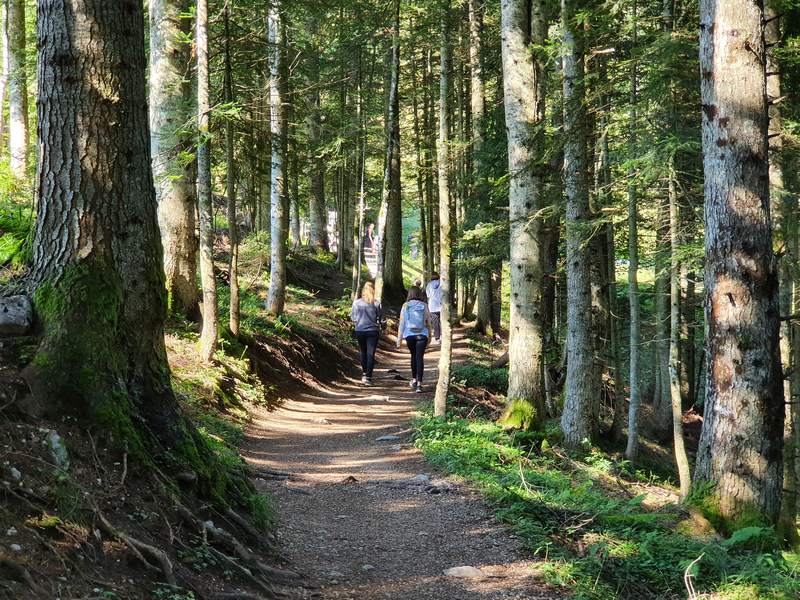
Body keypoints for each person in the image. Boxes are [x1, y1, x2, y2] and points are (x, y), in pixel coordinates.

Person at [396, 286, 433, 393]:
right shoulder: (424, 305)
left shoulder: (405, 306)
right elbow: (429, 322)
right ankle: (420, 385)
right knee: (419, 358)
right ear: (419, 294)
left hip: (409, 335)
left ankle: (414, 379)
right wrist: (430, 336)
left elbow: (401, 323)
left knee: (413, 356)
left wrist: (399, 339)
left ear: (409, 294)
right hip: (422, 335)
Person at [351, 282, 382, 385]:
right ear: (373, 290)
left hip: (360, 330)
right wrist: (382, 326)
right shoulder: (376, 303)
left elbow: (353, 318)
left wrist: (359, 321)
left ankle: (364, 374)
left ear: (363, 290)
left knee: (363, 352)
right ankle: (368, 377)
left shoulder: (356, 303)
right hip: (373, 331)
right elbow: (381, 318)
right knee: (370, 354)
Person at [425, 271, 442, 343]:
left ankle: (437, 338)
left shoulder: (429, 285)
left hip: (433, 306)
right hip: (442, 305)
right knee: (443, 321)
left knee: (435, 322)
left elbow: (428, 295)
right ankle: (444, 336)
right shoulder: (442, 283)